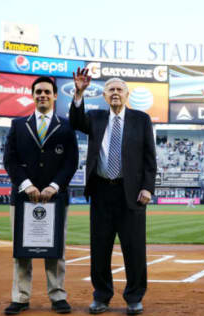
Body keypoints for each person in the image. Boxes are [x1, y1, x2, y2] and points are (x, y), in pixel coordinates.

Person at [69, 68, 156, 315]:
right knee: (100, 248)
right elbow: (75, 121)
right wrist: (78, 93)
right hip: (101, 193)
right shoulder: (95, 118)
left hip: (131, 194)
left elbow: (150, 158)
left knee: (135, 249)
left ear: (127, 94)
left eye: (119, 89)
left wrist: (148, 188)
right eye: (111, 90)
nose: (115, 93)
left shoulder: (141, 119)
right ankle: (101, 296)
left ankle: (134, 297)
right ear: (105, 96)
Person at [3, 76, 79, 315]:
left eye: (47, 91)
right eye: (38, 92)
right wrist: (27, 185)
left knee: (55, 249)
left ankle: (57, 296)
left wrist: (53, 186)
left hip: (55, 198)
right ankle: (20, 297)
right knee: (22, 249)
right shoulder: (18, 125)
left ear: (55, 95)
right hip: (23, 196)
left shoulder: (66, 126)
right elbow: (10, 160)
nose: (42, 95)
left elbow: (71, 161)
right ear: (32, 95)